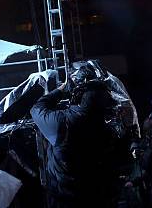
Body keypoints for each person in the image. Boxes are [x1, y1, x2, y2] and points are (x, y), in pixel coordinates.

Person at [31, 78, 120, 207]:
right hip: (95, 196)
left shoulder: (62, 122)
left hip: (63, 197)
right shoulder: (106, 130)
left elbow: (36, 109)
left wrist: (60, 90)